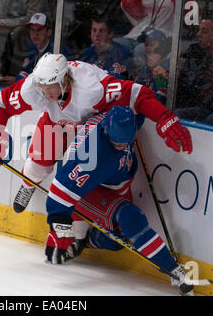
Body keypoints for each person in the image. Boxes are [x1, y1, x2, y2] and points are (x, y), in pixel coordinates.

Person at [0, 53, 192, 214]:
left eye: (49, 86)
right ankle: (28, 184)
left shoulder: (92, 89)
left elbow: (138, 94)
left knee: (84, 167)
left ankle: (84, 226)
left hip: (92, 121)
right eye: (40, 85)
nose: (44, 92)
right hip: (56, 119)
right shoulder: (31, 88)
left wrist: (164, 118)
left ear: (64, 80)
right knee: (40, 161)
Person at [43, 106, 195, 296]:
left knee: (117, 242)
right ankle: (173, 270)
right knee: (131, 218)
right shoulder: (92, 156)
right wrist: (57, 228)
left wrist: (165, 121)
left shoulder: (124, 119)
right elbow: (60, 190)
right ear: (106, 130)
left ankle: (86, 241)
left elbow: (141, 100)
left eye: (126, 141)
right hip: (88, 190)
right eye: (117, 142)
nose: (122, 146)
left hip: (114, 185)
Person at [174, 18, 213, 124]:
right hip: (196, 105)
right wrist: (172, 77)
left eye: (204, 31)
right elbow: (185, 81)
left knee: (177, 115)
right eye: (199, 30)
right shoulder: (196, 52)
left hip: (210, 110)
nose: (198, 34)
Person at [0, 12, 72, 87]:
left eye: (39, 30)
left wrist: (17, 80)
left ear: (49, 32)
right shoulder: (32, 46)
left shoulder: (57, 49)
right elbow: (27, 70)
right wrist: (14, 79)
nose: (35, 34)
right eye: (32, 30)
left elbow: (49, 79)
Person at [135, 29, 170, 105]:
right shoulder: (146, 68)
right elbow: (136, 90)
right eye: (146, 45)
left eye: (152, 45)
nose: (147, 48)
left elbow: (160, 101)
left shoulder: (168, 66)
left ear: (162, 47)